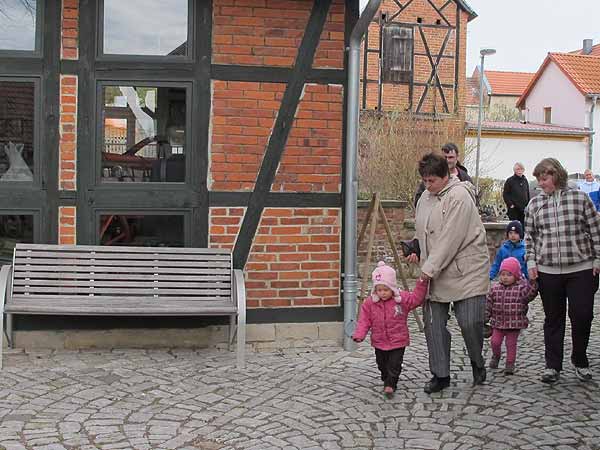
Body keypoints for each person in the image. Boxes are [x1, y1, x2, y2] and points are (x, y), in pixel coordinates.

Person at [409, 152, 490, 394]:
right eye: (424, 180)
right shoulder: (425, 198)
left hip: (466, 270)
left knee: (470, 322)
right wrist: (415, 247)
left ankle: (477, 362)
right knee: (433, 324)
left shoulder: (460, 197)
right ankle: (440, 374)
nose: (427, 185)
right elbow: (423, 230)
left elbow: (449, 239)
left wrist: (427, 270)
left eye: (432, 180)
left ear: (445, 176)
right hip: (435, 270)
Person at [525, 158, 600, 383]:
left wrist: (598, 258)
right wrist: (531, 262)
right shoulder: (534, 204)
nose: (541, 183)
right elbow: (530, 237)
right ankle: (552, 366)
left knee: (582, 315)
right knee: (553, 319)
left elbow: (595, 230)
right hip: (548, 270)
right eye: (538, 179)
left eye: (544, 178)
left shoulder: (580, 198)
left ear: (556, 176)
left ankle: (580, 359)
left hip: (581, 268)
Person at [352, 262, 429, 398]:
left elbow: (416, 299)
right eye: (379, 290)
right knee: (382, 364)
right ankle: (386, 377)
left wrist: (422, 283)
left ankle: (391, 384)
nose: (382, 293)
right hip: (379, 341)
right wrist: (360, 334)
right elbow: (364, 320)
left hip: (398, 340)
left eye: (386, 290)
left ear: (392, 287)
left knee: (394, 364)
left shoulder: (401, 299)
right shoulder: (370, 303)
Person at [486, 257, 538, 375]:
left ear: (516, 275)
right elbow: (488, 304)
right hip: (498, 322)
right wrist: (485, 317)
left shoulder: (521, 289)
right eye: (502, 274)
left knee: (511, 344)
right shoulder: (495, 289)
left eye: (509, 275)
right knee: (495, 342)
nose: (505, 277)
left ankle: (510, 364)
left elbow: (529, 294)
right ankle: (496, 356)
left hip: (514, 323)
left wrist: (533, 284)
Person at [502, 162, 530, 226]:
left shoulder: (525, 180)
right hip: (514, 210)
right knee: (515, 227)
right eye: (518, 169)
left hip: (523, 210)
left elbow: (527, 193)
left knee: (523, 228)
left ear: (523, 170)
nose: (520, 171)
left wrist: (528, 205)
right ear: (514, 170)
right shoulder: (510, 180)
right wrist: (511, 205)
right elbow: (505, 194)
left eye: (521, 169)